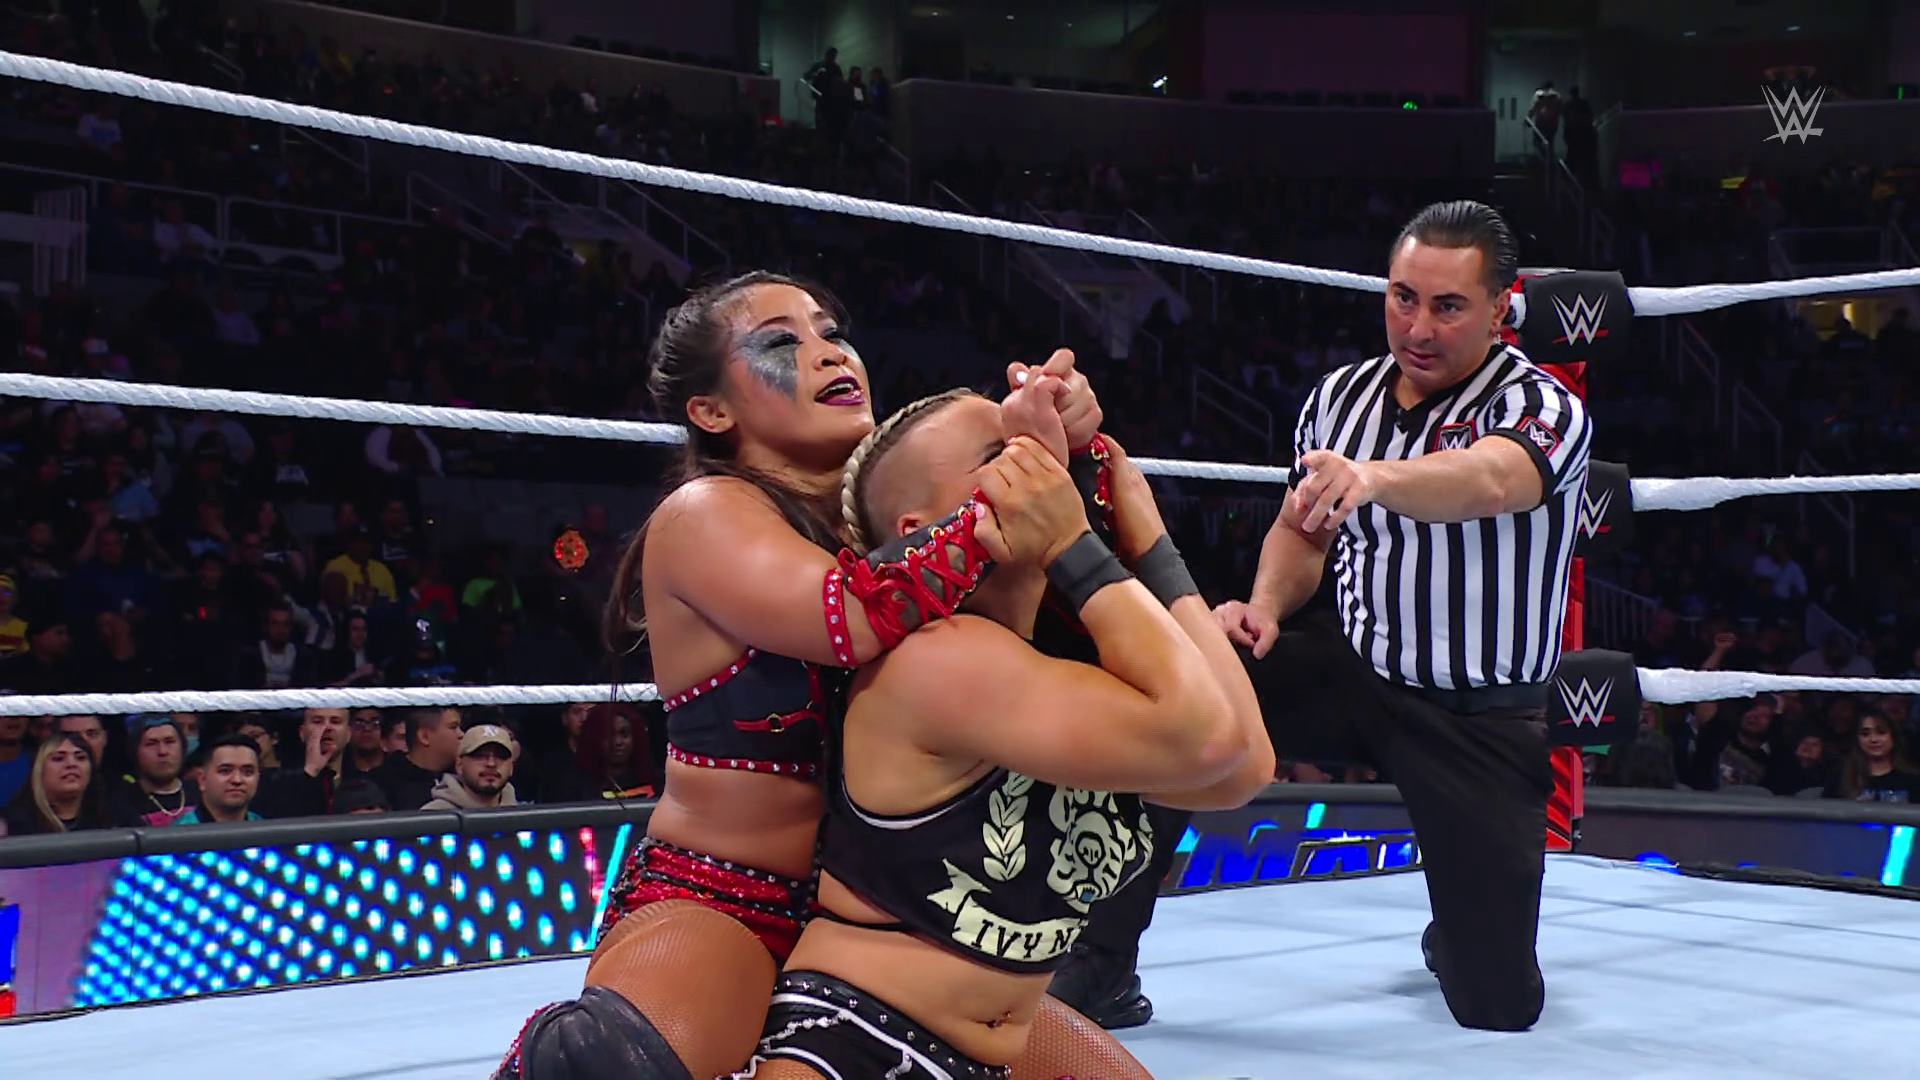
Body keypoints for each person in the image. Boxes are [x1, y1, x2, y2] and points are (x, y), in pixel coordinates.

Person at [502, 270, 1104, 1080]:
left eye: (832, 331)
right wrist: (1023, 476)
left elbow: (1069, 602)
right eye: (781, 342)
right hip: (728, 899)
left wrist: (1069, 454)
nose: (828, 352)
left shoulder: (901, 514)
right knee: (609, 1062)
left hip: (896, 924)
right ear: (711, 411)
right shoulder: (704, 514)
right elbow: (857, 614)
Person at [1063, 200, 1593, 1035]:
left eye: (1448, 306)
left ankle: (1461, 929)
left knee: (1497, 1005)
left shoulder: (1544, 408)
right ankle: (1100, 965)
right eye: (1403, 297)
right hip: (1352, 666)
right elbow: (1302, 529)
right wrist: (1266, 607)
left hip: (1476, 715)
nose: (1418, 327)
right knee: (1181, 695)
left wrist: (1374, 478)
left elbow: (1493, 481)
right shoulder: (1341, 398)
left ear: (1499, 310)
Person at [735, 391, 1271, 1079]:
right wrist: (1078, 548)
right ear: (921, 526)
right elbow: (1208, 740)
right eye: (1002, 456)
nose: (1041, 468)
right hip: (857, 1044)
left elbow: (1242, 767)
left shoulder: (1047, 661)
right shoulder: (939, 657)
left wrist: (1149, 544)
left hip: (991, 1051)